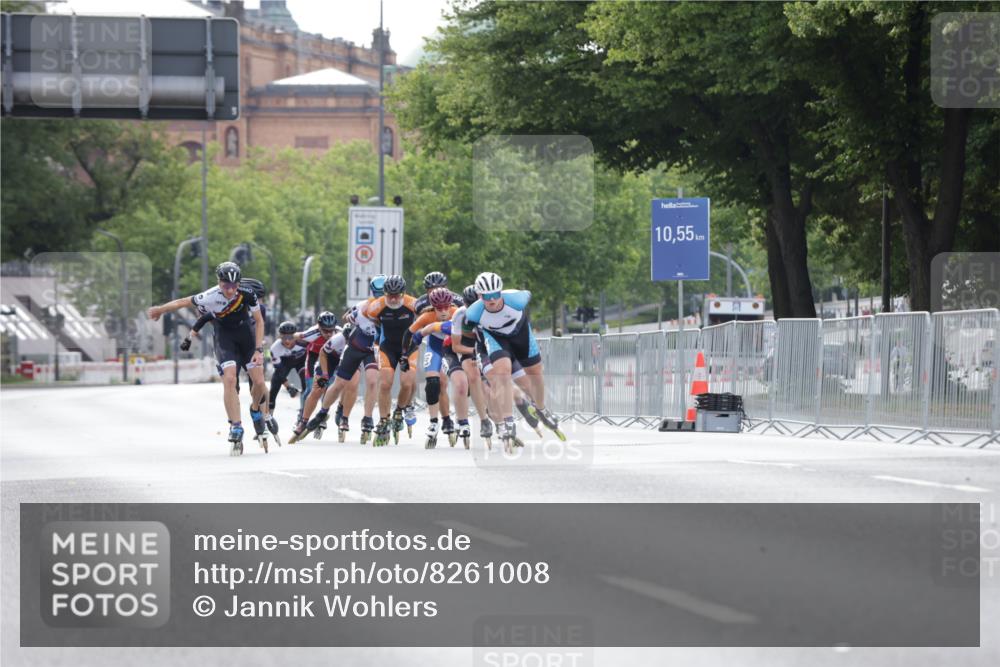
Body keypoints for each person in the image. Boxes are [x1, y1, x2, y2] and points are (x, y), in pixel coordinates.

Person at [147, 261, 267, 455]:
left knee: (260, 383)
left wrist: (258, 350)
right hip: (225, 338)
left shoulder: (247, 293)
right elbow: (182, 302)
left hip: (247, 337)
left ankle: (254, 410)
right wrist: (160, 309)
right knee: (230, 379)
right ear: (219, 283)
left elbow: (259, 321)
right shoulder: (209, 296)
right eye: (226, 286)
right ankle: (236, 426)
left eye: (234, 286)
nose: (230, 290)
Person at [462, 271, 561, 451]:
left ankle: (541, 409)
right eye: (487, 296)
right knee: (502, 374)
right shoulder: (473, 312)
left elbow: (528, 293)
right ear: (479, 295)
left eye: (495, 294)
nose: (492, 300)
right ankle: (508, 421)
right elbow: (466, 332)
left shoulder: (517, 299)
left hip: (521, 335)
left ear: (501, 291)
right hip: (497, 339)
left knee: (535, 374)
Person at [300, 275, 386, 444]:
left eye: (384, 295)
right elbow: (346, 316)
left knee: (372, 381)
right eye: (378, 295)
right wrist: (353, 319)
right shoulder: (364, 306)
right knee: (339, 384)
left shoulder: (392, 308)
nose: (381, 299)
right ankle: (322, 412)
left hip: (374, 348)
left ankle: (367, 418)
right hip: (356, 345)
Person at [363, 275, 418, 446]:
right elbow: (373, 320)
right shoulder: (376, 307)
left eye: (397, 295)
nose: (393, 299)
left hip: (409, 348)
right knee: (385, 383)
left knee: (407, 384)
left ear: (403, 293)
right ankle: (384, 420)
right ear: (384, 293)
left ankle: (399, 411)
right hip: (387, 347)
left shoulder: (413, 304)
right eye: (389, 295)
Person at [402, 287, 459, 448]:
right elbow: (409, 334)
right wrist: (405, 355)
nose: (443, 311)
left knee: (445, 383)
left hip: (452, 349)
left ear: (451, 305)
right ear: (433, 307)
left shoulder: (457, 313)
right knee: (433, 383)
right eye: (439, 308)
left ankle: (449, 419)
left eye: (446, 307)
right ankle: (434, 422)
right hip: (435, 348)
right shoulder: (427, 316)